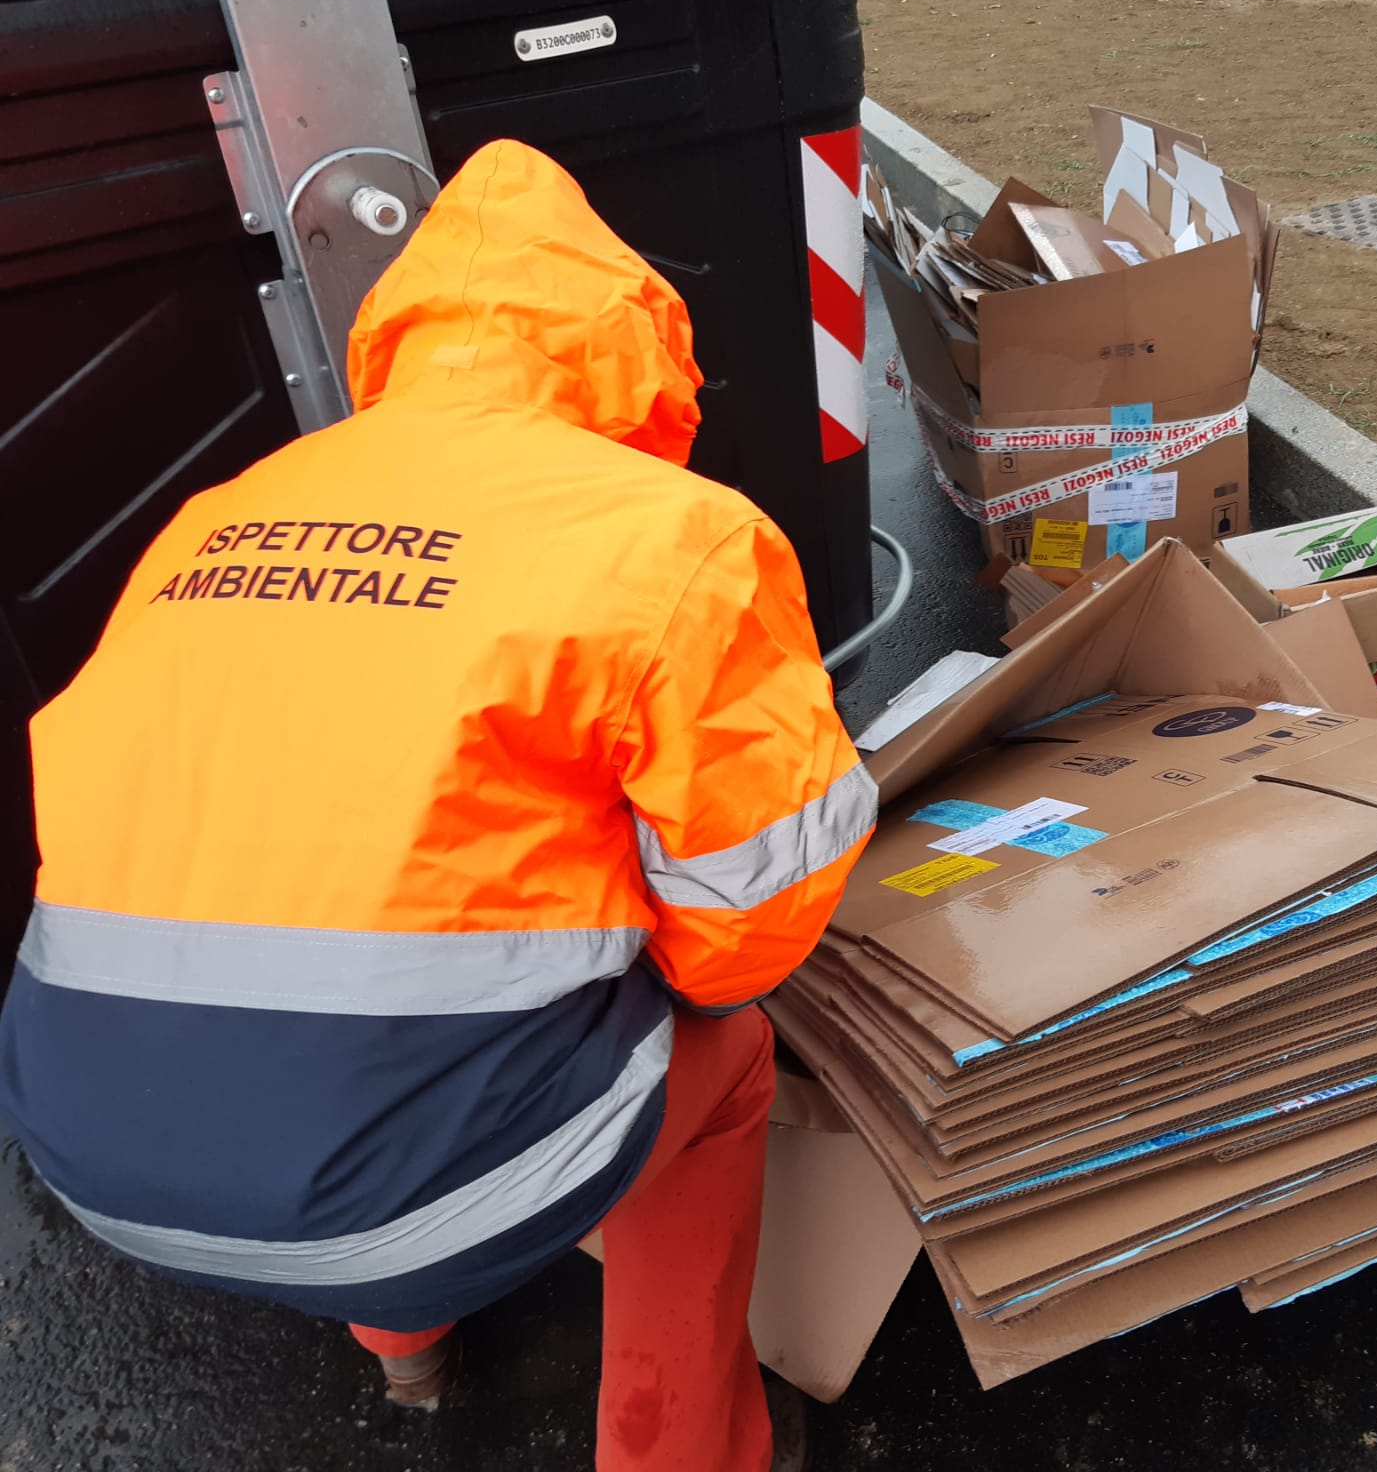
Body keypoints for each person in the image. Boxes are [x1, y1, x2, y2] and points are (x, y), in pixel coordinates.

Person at [0, 139, 875, 1471]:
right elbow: (754, 910)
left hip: (81, 1141)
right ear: (637, 351)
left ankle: (404, 1352)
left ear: (398, 341)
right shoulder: (676, 537)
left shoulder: (227, 512)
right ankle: (682, 1446)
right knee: (730, 1050)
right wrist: (660, 979)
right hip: (380, 1188)